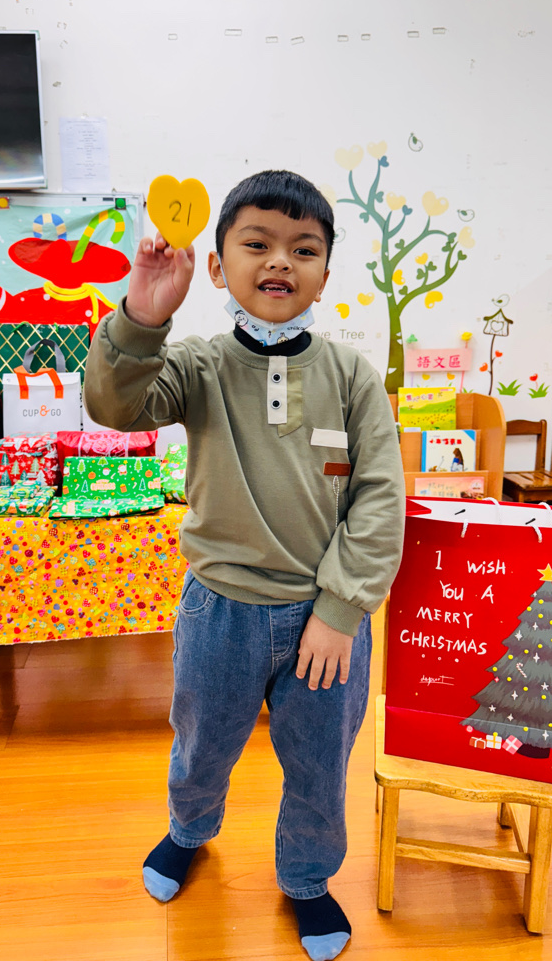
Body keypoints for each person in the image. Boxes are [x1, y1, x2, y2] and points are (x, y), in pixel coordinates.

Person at [84, 170, 405, 961]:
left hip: (324, 620)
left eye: (304, 249)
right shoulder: (197, 365)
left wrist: (341, 609)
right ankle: (188, 829)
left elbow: (379, 499)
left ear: (325, 273)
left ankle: (306, 877)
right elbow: (115, 406)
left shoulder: (353, 377)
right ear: (218, 266)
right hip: (218, 608)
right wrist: (143, 317)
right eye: (256, 243)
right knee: (202, 741)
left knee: (320, 762)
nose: (280, 261)